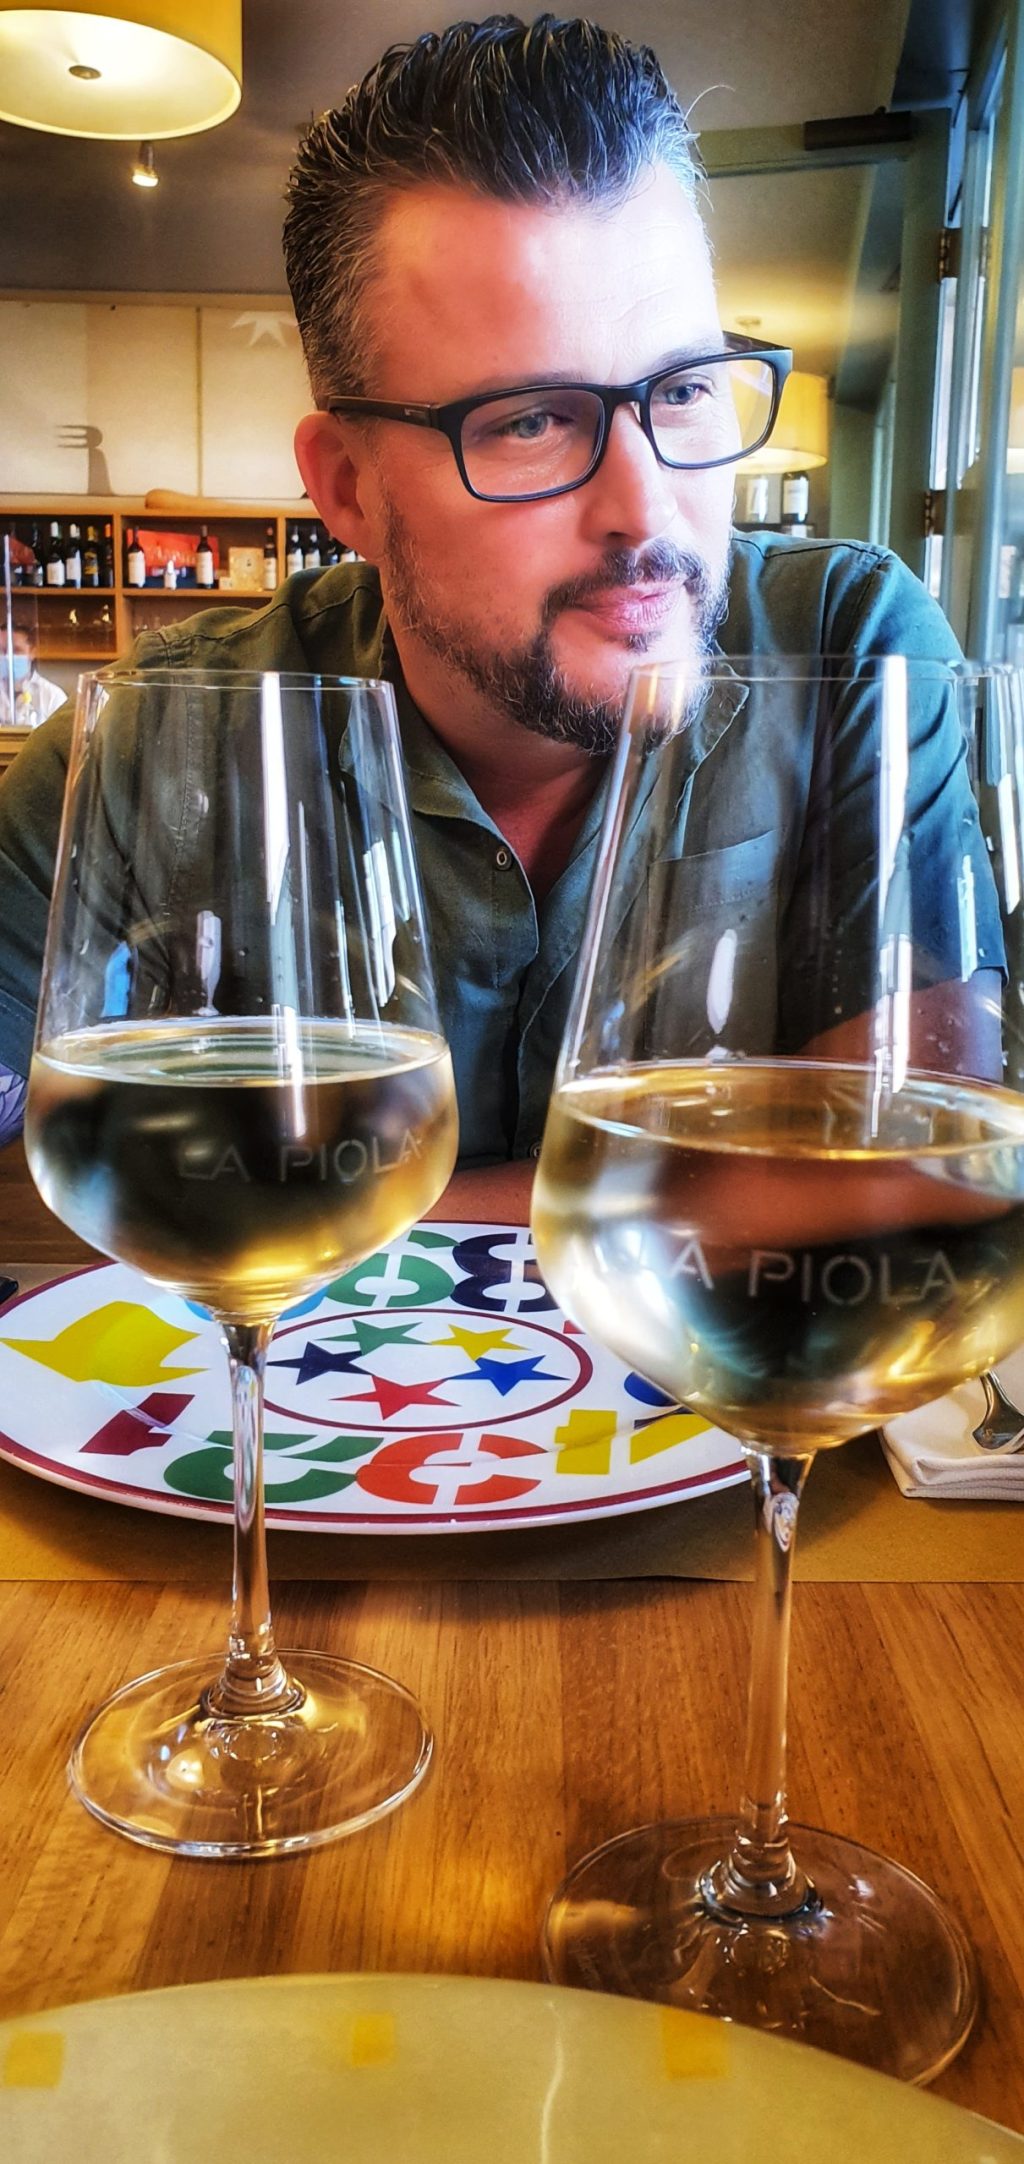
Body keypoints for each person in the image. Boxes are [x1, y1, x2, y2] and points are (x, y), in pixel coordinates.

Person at [0, 12, 989, 1171]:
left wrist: (313, 1217)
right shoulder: (148, 740)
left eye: (682, 393)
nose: (647, 507)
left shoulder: (851, 650)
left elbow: (920, 1170)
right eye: (528, 420)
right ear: (348, 488)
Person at [0, 622, 64, 731]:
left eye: (16, 650)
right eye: (1, 650)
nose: (7, 657)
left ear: (32, 652)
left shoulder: (53, 696)